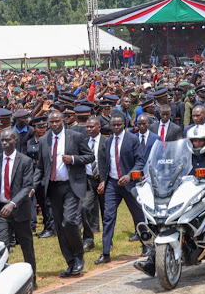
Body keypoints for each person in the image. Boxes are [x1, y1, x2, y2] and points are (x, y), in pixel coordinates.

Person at [134, 125, 205, 276]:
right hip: (186, 196)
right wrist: (158, 175)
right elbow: (171, 168)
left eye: (201, 141)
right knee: (164, 221)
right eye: (194, 141)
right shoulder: (183, 154)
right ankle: (151, 262)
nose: (197, 144)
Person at [34, 110, 95, 277]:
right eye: (51, 122)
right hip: (53, 188)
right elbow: (41, 167)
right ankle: (70, 261)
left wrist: (74, 159)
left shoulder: (74, 136)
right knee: (59, 227)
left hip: (71, 185)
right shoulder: (44, 140)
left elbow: (90, 156)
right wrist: (33, 186)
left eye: (57, 121)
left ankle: (78, 256)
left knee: (69, 221)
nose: (54, 124)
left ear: (63, 121)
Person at [95, 114, 145, 264]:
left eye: (119, 124)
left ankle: (146, 245)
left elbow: (140, 161)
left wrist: (129, 176)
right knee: (108, 216)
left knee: (138, 215)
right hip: (113, 184)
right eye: (113, 125)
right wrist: (104, 181)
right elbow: (106, 163)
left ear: (124, 124)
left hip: (129, 184)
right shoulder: (109, 141)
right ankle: (106, 252)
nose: (116, 127)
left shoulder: (133, 139)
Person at [0, 128, 36, 285]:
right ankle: (1, 283)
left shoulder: (25, 161)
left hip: (20, 210)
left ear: (15, 140)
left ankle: (32, 280)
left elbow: (27, 186)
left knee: (27, 246)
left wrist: (13, 203)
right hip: (2, 212)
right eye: (2, 140)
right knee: (2, 247)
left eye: (8, 140)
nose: (4, 143)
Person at [27, 116, 55, 238]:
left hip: (46, 174)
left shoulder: (50, 139)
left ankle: (52, 228)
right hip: (35, 175)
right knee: (41, 202)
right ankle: (46, 225)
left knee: (49, 203)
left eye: (44, 127)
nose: (42, 129)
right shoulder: (30, 141)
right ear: (34, 128)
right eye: (40, 127)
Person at [80, 116, 106, 252]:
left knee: (106, 212)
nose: (89, 129)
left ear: (99, 127)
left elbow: (110, 163)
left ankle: (107, 240)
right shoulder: (84, 142)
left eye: (92, 127)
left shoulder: (106, 142)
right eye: (87, 127)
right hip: (89, 180)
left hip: (103, 181)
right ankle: (88, 240)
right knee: (84, 208)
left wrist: (104, 180)